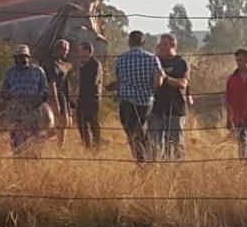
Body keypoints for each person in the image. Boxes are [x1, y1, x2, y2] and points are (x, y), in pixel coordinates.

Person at [114, 31, 164, 162]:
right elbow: (157, 82)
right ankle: (148, 158)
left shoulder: (120, 59)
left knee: (132, 134)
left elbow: (118, 80)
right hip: (145, 103)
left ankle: (140, 160)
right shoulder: (153, 59)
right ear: (143, 42)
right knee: (144, 132)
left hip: (126, 102)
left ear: (129, 42)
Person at [0, 44, 50, 158]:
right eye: (17, 57)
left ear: (28, 57)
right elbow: (3, 91)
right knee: (17, 144)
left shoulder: (38, 71)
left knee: (35, 142)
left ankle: (34, 164)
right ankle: (19, 164)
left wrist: (38, 98)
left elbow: (45, 90)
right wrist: (10, 95)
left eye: (22, 56)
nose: (19, 59)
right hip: (16, 112)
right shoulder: (10, 73)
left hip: (34, 112)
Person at [149, 34, 190, 161]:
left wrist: (166, 78)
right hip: (157, 109)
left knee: (177, 143)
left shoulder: (180, 63)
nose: (161, 47)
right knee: (155, 142)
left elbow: (183, 83)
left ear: (173, 45)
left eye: (164, 44)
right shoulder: (156, 62)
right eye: (160, 44)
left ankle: (179, 168)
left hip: (175, 109)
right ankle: (157, 167)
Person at [40, 39, 73, 146]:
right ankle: (38, 139)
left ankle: (59, 146)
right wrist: (55, 101)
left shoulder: (61, 64)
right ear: (59, 49)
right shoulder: (51, 63)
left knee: (65, 124)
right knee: (58, 124)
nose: (67, 53)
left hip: (62, 97)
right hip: (55, 96)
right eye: (66, 50)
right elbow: (52, 83)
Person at [75, 41, 102, 149]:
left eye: (80, 50)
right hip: (82, 99)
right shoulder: (83, 66)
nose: (79, 53)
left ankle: (96, 147)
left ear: (87, 51)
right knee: (81, 123)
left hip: (92, 99)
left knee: (93, 124)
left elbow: (93, 81)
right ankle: (87, 146)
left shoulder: (95, 64)